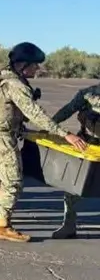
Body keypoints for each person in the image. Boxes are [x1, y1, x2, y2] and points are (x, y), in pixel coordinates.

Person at [0, 42, 86, 242]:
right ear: (22, 64)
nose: (37, 69)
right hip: (2, 137)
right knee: (13, 181)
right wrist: (65, 133)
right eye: (34, 65)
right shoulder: (15, 85)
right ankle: (3, 226)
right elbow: (34, 113)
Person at [47, 82, 100, 239]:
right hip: (86, 144)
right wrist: (51, 126)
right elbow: (68, 110)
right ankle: (69, 225)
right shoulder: (89, 93)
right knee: (72, 185)